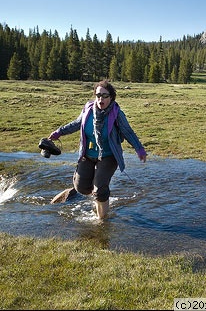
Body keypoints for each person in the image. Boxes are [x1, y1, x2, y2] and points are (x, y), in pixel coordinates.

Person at [48, 80, 147, 219]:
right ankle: (98, 192)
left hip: (109, 156)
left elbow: (128, 132)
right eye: (98, 95)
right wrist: (59, 132)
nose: (101, 99)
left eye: (105, 96)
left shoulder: (116, 114)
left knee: (100, 190)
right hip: (88, 154)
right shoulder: (88, 109)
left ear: (111, 97)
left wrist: (140, 149)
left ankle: (102, 220)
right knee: (80, 187)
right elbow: (77, 124)